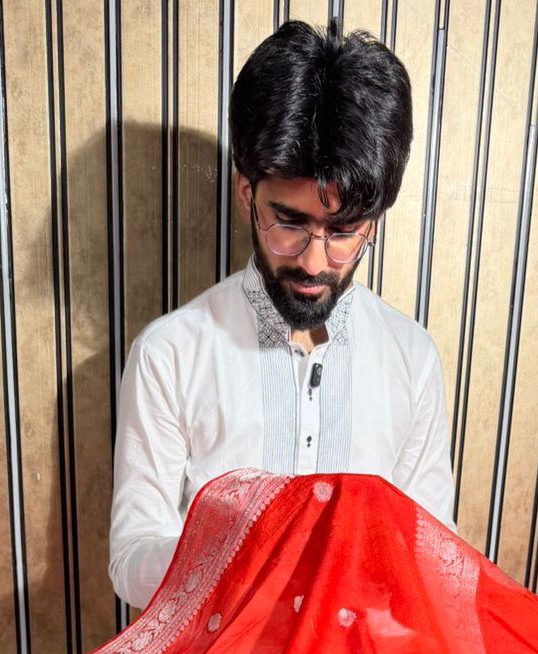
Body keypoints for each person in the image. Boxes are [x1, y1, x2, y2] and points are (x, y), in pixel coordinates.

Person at [107, 20, 456, 611]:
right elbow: (130, 556)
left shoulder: (411, 358)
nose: (316, 262)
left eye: (344, 232)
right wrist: (233, 550)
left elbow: (432, 557)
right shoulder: (169, 354)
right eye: (289, 222)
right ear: (247, 193)